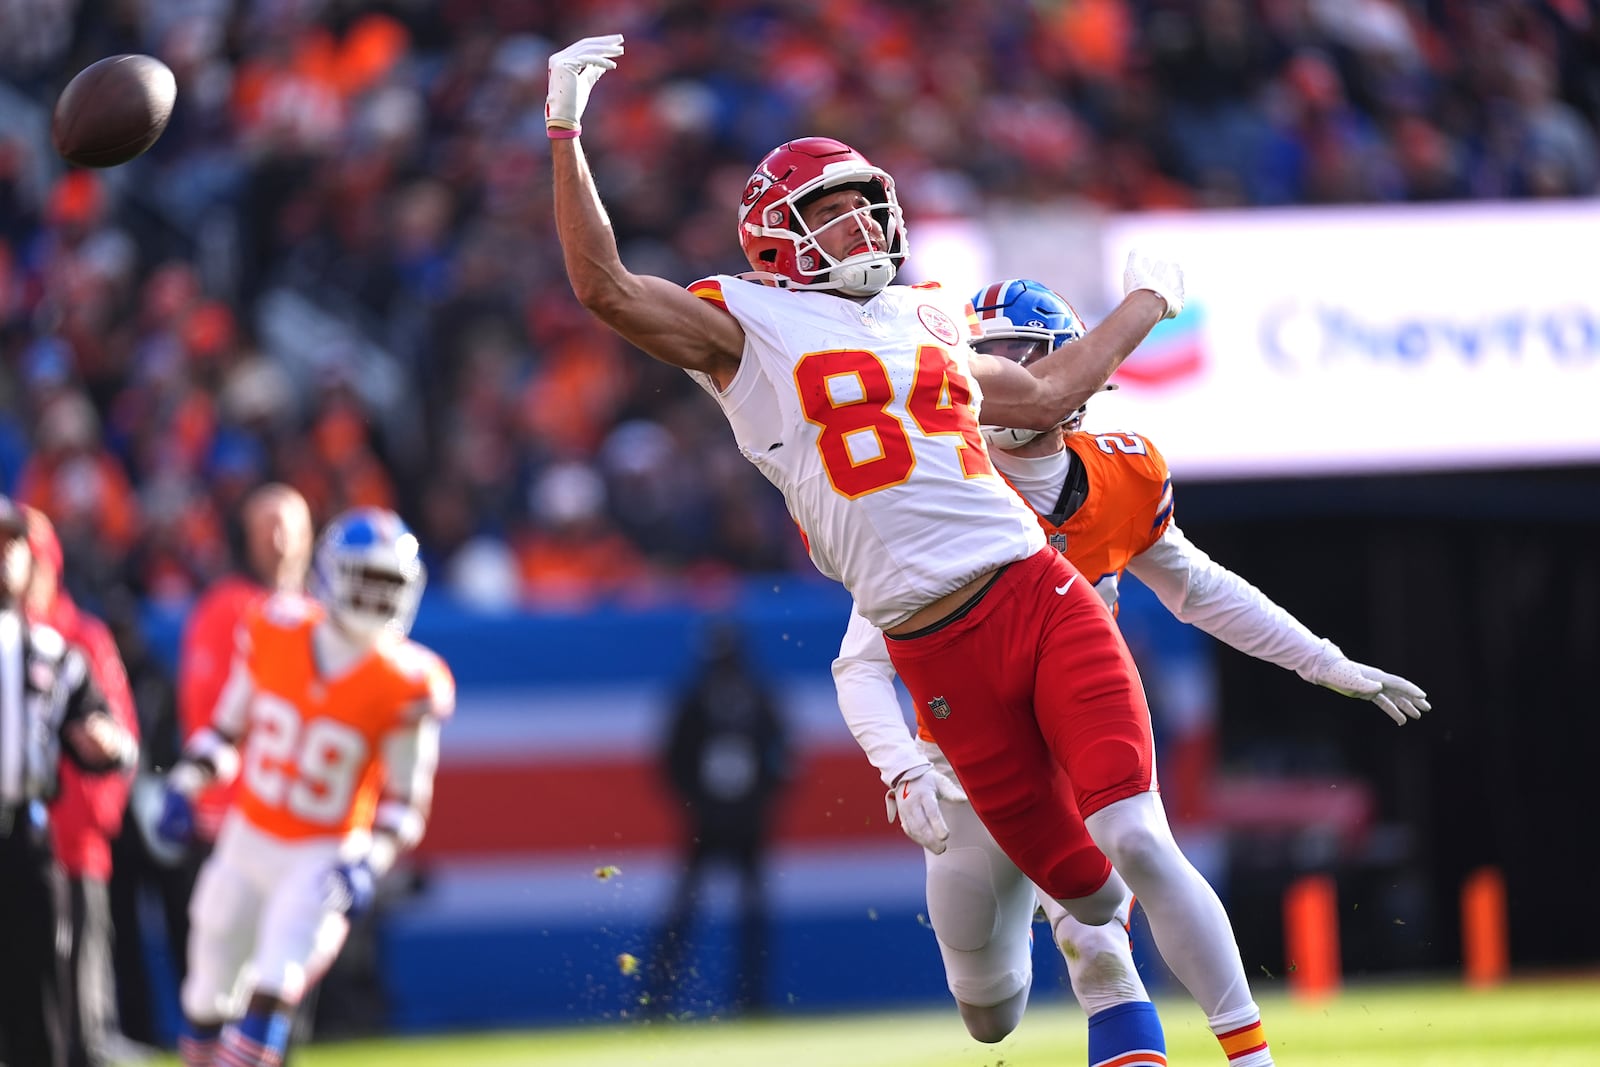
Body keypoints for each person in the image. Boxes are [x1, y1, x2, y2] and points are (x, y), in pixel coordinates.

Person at [547, 34, 1282, 1063]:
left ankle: (1247, 1049)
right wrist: (565, 126)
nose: (860, 220)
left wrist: (1146, 304)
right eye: (829, 208)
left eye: (864, 200)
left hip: (1035, 592)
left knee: (1118, 881)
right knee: (1008, 984)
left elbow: (1049, 392)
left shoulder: (930, 311)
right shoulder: (742, 321)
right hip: (931, 650)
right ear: (774, 236)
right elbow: (605, 289)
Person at [833, 280, 1431, 1066]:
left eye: (1014, 355)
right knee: (990, 1008)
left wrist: (1323, 660)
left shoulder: (1123, 473)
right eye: (977, 358)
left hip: (1073, 724)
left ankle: (1251, 1055)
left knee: (1107, 932)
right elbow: (860, 663)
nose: (994, 374)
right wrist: (902, 764)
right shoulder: (931, 491)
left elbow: (1201, 585)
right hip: (964, 760)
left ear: (1077, 368)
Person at [155, 507, 454, 1067]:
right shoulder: (275, 626)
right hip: (250, 835)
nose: (376, 596)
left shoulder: (407, 680)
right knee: (207, 988)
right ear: (331, 574)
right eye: (365, 578)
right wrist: (186, 782)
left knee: (279, 974)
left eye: (389, 584)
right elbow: (226, 730)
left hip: (325, 846)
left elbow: (406, 802)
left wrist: (370, 858)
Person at [0, 495, 137, 1067]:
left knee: (41, 1007)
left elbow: (114, 741)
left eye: (11, 544)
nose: (3, 556)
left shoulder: (55, 652)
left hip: (24, 838)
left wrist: (104, 744)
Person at [650, 622, 790, 1018]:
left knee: (751, 915)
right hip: (706, 824)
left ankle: (752, 1001)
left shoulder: (759, 697)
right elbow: (672, 760)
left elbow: (780, 757)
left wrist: (759, 803)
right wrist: (697, 806)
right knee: (683, 914)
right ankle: (659, 1000)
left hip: (745, 823)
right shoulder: (695, 700)